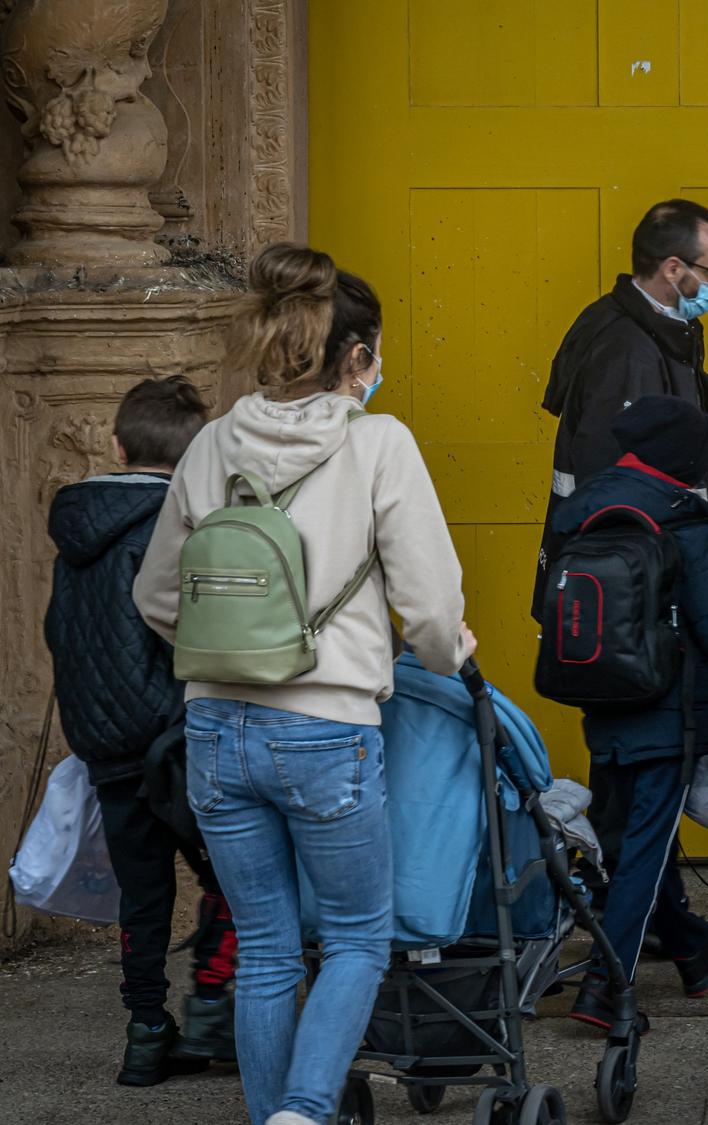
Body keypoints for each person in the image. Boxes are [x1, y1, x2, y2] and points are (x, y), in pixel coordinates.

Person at [134, 244, 475, 1125]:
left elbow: (158, 595)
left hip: (214, 726)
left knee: (269, 951)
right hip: (326, 732)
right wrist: (446, 657)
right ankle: (304, 1110)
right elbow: (430, 604)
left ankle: (274, 1116)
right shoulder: (379, 442)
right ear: (356, 357)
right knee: (360, 937)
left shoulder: (212, 442)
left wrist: (234, 652)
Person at [44, 375, 239, 1087]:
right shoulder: (183, 522)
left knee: (143, 893)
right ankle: (215, 1008)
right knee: (234, 872)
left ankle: (145, 1030)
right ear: (194, 459)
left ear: (118, 444)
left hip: (106, 743)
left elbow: (59, 631)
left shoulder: (75, 532)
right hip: (179, 737)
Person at [546, 395, 708, 1026]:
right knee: (645, 850)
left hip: (600, 703)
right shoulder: (687, 524)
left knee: (631, 842)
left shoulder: (581, 514)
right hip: (670, 713)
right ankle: (608, 987)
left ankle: (694, 948)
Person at [539, 198, 708, 608]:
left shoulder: (653, 333)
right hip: (634, 605)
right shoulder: (627, 353)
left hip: (644, 590)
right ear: (672, 268)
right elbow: (613, 496)